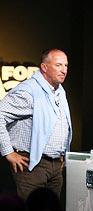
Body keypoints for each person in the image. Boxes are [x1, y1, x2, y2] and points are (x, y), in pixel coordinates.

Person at [0, 48, 72, 200]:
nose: (64, 70)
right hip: (32, 165)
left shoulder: (59, 90)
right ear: (44, 68)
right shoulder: (28, 91)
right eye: (58, 65)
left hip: (56, 166)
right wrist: (8, 152)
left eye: (66, 65)